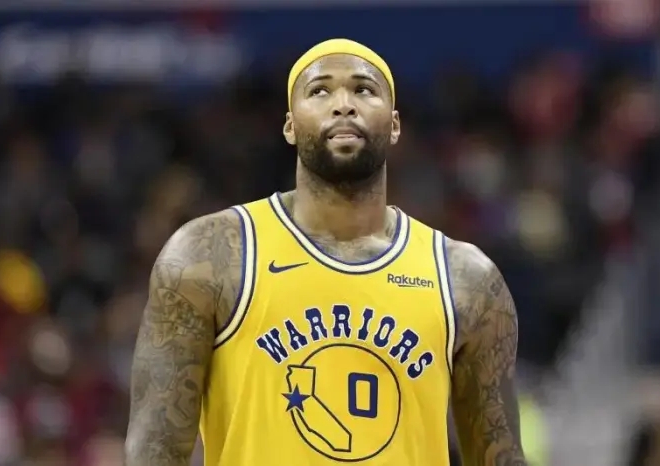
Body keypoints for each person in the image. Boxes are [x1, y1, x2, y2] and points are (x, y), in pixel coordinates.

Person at [125, 38, 527, 466]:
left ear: (394, 125)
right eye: (319, 91)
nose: (343, 105)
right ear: (289, 125)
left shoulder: (466, 279)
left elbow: (500, 457)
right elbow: (155, 451)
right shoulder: (210, 255)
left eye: (363, 90)